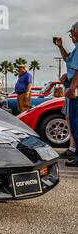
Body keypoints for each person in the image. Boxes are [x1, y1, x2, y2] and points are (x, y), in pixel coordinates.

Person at [56, 22, 78, 167]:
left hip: (75, 86)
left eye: (72, 32)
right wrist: (60, 46)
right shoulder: (76, 50)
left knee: (76, 122)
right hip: (72, 84)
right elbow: (67, 59)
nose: (71, 35)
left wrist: (72, 87)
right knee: (74, 121)